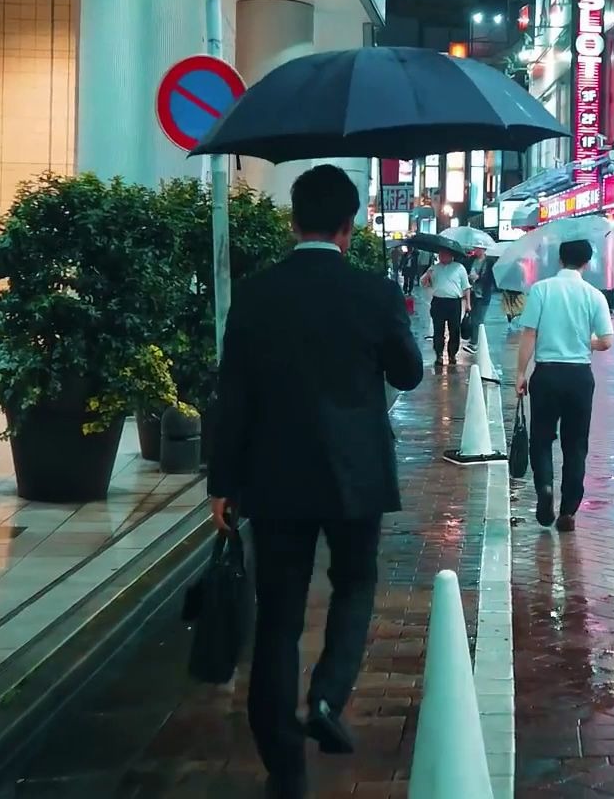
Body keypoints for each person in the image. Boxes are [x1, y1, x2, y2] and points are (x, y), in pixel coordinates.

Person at [209, 165, 424, 799]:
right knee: (354, 583)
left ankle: (283, 762)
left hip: (273, 477)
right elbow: (409, 375)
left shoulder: (255, 294)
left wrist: (223, 481)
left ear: (292, 220)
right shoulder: (373, 293)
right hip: (355, 472)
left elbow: (234, 396)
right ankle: (327, 696)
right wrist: (394, 321)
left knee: (277, 614)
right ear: (348, 226)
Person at [513, 239, 614, 531]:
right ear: (587, 263)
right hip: (579, 377)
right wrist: (587, 342)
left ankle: (545, 488)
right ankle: (569, 510)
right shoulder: (594, 295)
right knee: (576, 444)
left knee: (541, 439)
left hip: (546, 374)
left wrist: (521, 373)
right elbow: (607, 341)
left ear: (559, 260)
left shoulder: (541, 290)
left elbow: (529, 334)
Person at [419, 248, 471, 366]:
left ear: (451, 255)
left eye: (444, 254)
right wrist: (428, 274)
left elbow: (466, 287)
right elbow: (423, 283)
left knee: (454, 329)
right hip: (438, 302)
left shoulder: (459, 268)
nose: (442, 256)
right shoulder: (434, 268)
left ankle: (452, 354)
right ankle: (439, 355)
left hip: (454, 303)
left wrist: (468, 304)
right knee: (438, 330)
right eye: (440, 254)